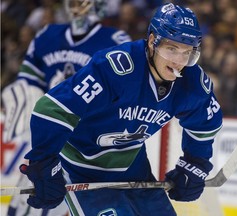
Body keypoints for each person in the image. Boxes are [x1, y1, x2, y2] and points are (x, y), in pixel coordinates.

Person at [18, 3, 223, 216]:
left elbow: (206, 122)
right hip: (82, 169)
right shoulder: (116, 69)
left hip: (133, 167)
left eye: (187, 52)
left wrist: (194, 163)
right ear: (153, 41)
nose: (179, 61)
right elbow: (50, 109)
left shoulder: (192, 81)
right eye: (171, 48)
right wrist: (43, 162)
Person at [2, 0, 131, 215]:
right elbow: (31, 79)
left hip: (86, 144)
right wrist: (24, 89)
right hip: (52, 135)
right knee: (23, 206)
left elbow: (122, 94)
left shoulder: (114, 41)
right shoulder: (47, 35)